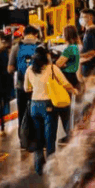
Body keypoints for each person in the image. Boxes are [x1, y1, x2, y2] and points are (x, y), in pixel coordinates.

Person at [24, 45, 76, 176]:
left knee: (38, 137)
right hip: (49, 105)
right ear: (46, 56)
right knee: (50, 138)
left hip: (34, 106)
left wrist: (37, 86)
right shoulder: (52, 68)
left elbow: (26, 88)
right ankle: (51, 167)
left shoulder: (29, 69)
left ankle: (38, 167)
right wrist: (74, 90)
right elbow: (65, 83)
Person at [8, 25, 41, 142]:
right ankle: (37, 140)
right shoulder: (40, 46)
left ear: (24, 34)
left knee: (22, 113)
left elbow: (10, 68)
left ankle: (23, 140)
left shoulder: (16, 47)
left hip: (21, 86)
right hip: (37, 87)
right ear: (35, 34)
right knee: (37, 113)